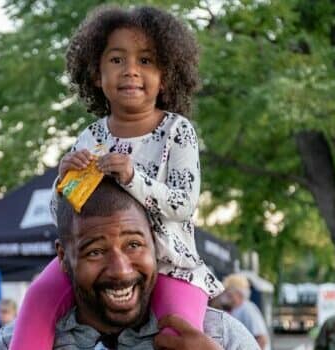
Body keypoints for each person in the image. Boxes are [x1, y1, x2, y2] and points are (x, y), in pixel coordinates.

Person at [11, 5, 223, 349]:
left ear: (166, 75)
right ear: (96, 74)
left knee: (175, 335)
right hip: (97, 260)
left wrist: (132, 177)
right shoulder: (91, 137)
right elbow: (65, 217)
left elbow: (183, 204)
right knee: (37, 296)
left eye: (146, 61)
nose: (130, 71)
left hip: (170, 264)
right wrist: (63, 183)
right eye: (116, 60)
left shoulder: (177, 131)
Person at [0, 178, 259, 349]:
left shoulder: (221, 337)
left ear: (155, 244)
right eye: (95, 252)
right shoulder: (11, 343)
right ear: (64, 258)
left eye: (133, 245)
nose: (120, 270)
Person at [221, 274, 270, 350]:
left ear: (239, 294)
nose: (225, 296)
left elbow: (261, 339)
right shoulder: (234, 309)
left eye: (229, 294)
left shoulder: (248, 309)